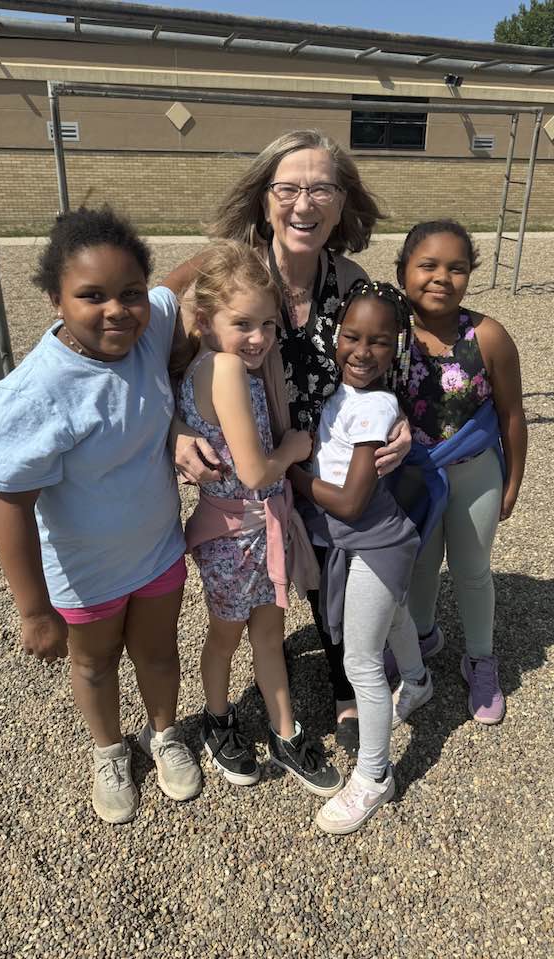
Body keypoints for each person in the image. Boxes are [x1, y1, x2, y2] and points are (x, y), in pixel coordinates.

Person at [167, 130, 413, 755]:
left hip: (320, 465)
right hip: (255, 474)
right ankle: (230, 712)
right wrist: (173, 430)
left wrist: (400, 421)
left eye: (321, 188)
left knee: (336, 572)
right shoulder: (226, 273)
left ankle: (348, 685)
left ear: (341, 201)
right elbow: (140, 349)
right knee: (261, 601)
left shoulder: (353, 281)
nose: (304, 203)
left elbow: (383, 361)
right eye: (288, 188)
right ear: (263, 198)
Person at [0, 206, 202, 824]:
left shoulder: (149, 327)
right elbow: (10, 503)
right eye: (91, 295)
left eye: (129, 292)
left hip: (157, 550)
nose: (116, 310)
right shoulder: (38, 392)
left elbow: (181, 279)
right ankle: (108, 750)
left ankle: (164, 734)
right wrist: (33, 610)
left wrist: (241, 248)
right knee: (96, 662)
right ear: (55, 298)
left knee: (158, 655)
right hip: (84, 572)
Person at [176, 240, 342, 798]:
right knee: (227, 637)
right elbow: (252, 471)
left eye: (268, 325)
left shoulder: (219, 366)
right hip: (234, 536)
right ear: (204, 321)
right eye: (242, 322)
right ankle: (217, 721)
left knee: (268, 635)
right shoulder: (222, 367)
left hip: (257, 532)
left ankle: (285, 731)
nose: (259, 338)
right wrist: (295, 448)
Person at [288, 280, 432, 835]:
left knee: (361, 663)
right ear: (335, 336)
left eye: (378, 342)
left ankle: (374, 776)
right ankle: (418, 680)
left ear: (396, 346)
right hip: (368, 540)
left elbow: (349, 500)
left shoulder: (373, 406)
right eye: (352, 337)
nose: (361, 352)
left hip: (372, 538)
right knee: (392, 616)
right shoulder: (341, 394)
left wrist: (296, 475)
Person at [394, 220, 528, 725]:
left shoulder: (488, 336)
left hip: (475, 472)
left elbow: (513, 415)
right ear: (403, 270)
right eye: (427, 265)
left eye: (456, 267)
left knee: (472, 570)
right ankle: (423, 635)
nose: (441, 278)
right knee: (420, 565)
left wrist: (512, 483)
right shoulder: (391, 330)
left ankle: (480, 657)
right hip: (414, 476)